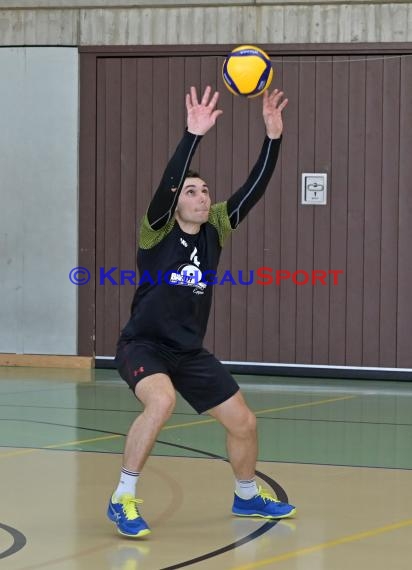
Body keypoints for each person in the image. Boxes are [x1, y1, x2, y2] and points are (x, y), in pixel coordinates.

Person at [107, 85, 296, 538]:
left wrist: (273, 139)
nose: (200, 195)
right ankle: (123, 498)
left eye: (204, 190)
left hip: (189, 352)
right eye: (191, 191)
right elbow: (167, 183)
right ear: (175, 206)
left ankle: (246, 495)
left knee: (244, 422)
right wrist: (192, 135)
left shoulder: (216, 227)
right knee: (162, 401)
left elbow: (253, 189)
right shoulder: (155, 231)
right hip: (144, 346)